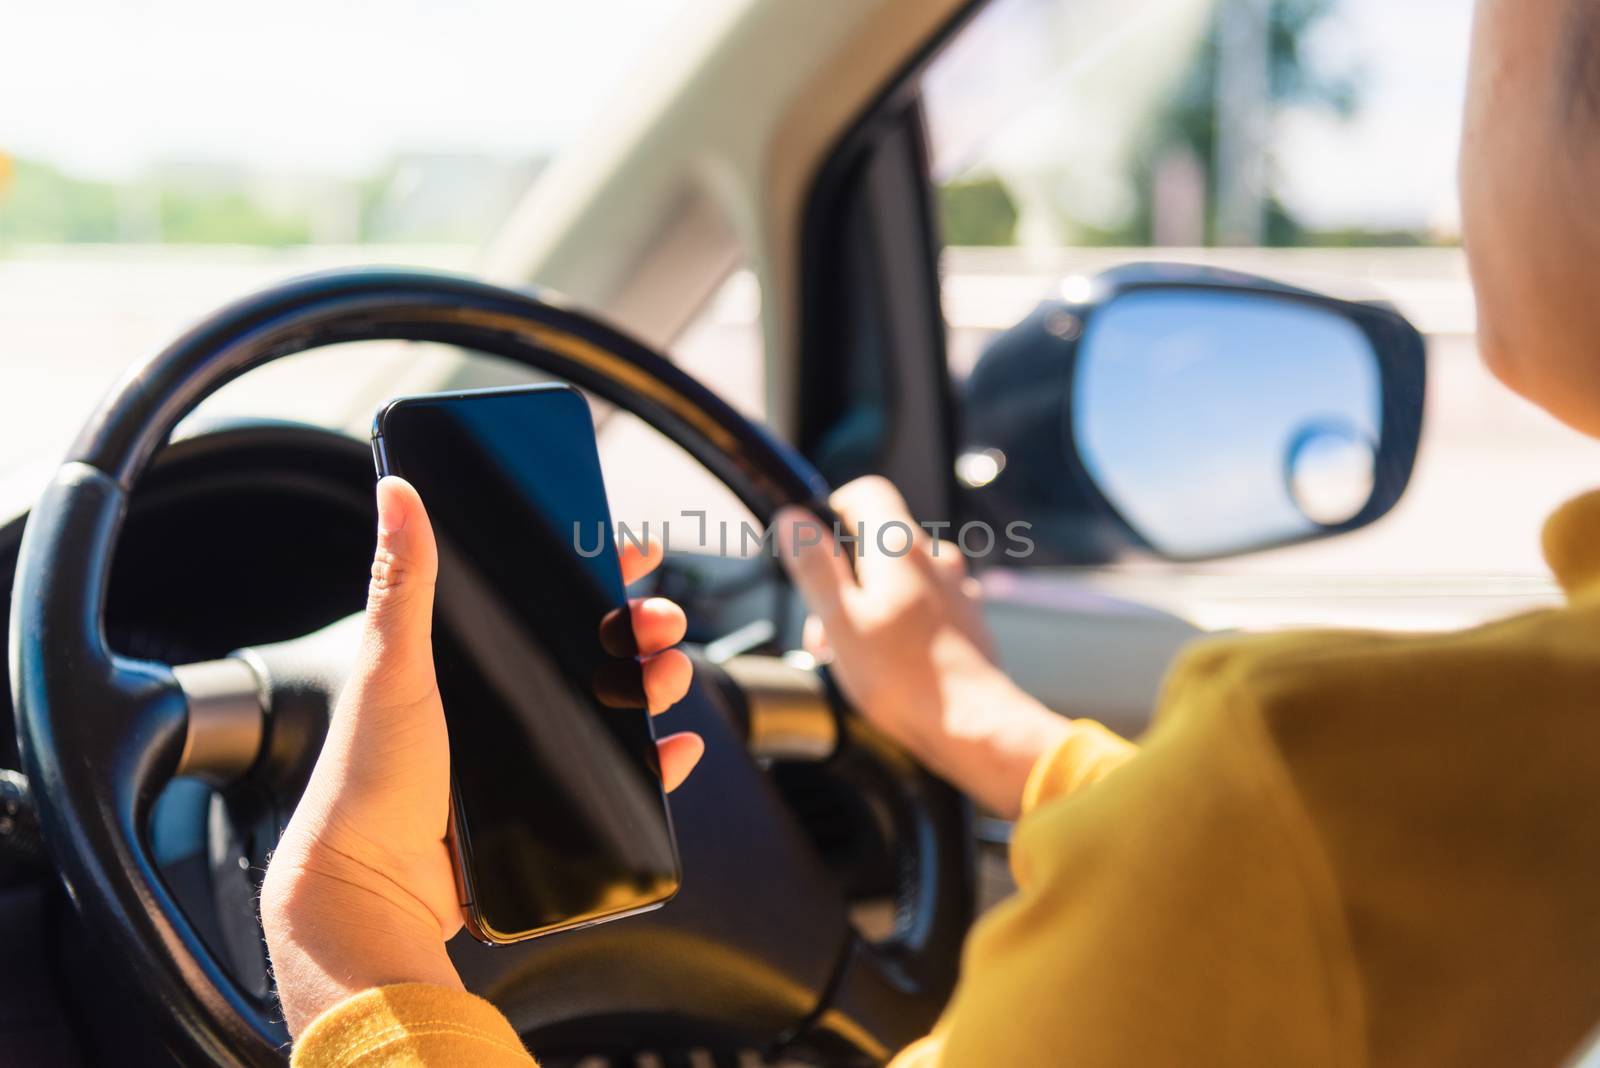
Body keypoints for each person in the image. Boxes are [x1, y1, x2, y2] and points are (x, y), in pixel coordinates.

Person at [261, 0, 1600, 1063]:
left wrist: (351, 928)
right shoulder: (1451, 789)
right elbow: (1284, 877)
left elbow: (1277, 852)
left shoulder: (1309, 805)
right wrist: (968, 716)